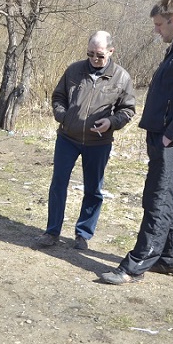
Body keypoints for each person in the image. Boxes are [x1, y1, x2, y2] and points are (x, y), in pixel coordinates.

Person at [101, 0, 173, 285]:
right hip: (164, 135)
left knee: (158, 199)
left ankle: (135, 264)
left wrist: (171, 135)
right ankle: (169, 259)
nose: (156, 30)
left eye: (159, 25)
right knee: (169, 197)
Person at [36, 31, 136, 250]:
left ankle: (83, 234)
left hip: (99, 143)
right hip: (67, 138)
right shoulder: (73, 70)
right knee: (58, 185)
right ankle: (52, 232)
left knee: (93, 189)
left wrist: (111, 122)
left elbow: (128, 110)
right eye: (90, 53)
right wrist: (63, 116)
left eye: (99, 55)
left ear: (111, 51)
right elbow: (58, 97)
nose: (94, 59)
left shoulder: (121, 77)